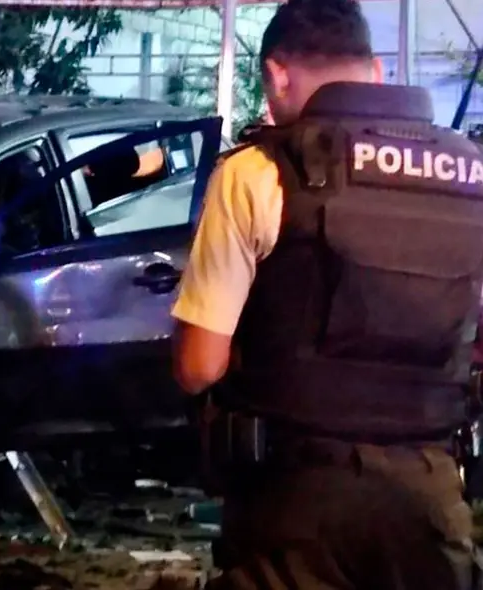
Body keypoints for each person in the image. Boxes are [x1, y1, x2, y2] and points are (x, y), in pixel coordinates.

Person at [170, 0, 483, 588]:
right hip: (429, 497)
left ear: (276, 74)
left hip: (294, 504)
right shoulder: (472, 174)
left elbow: (198, 366)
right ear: (376, 70)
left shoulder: (255, 174)